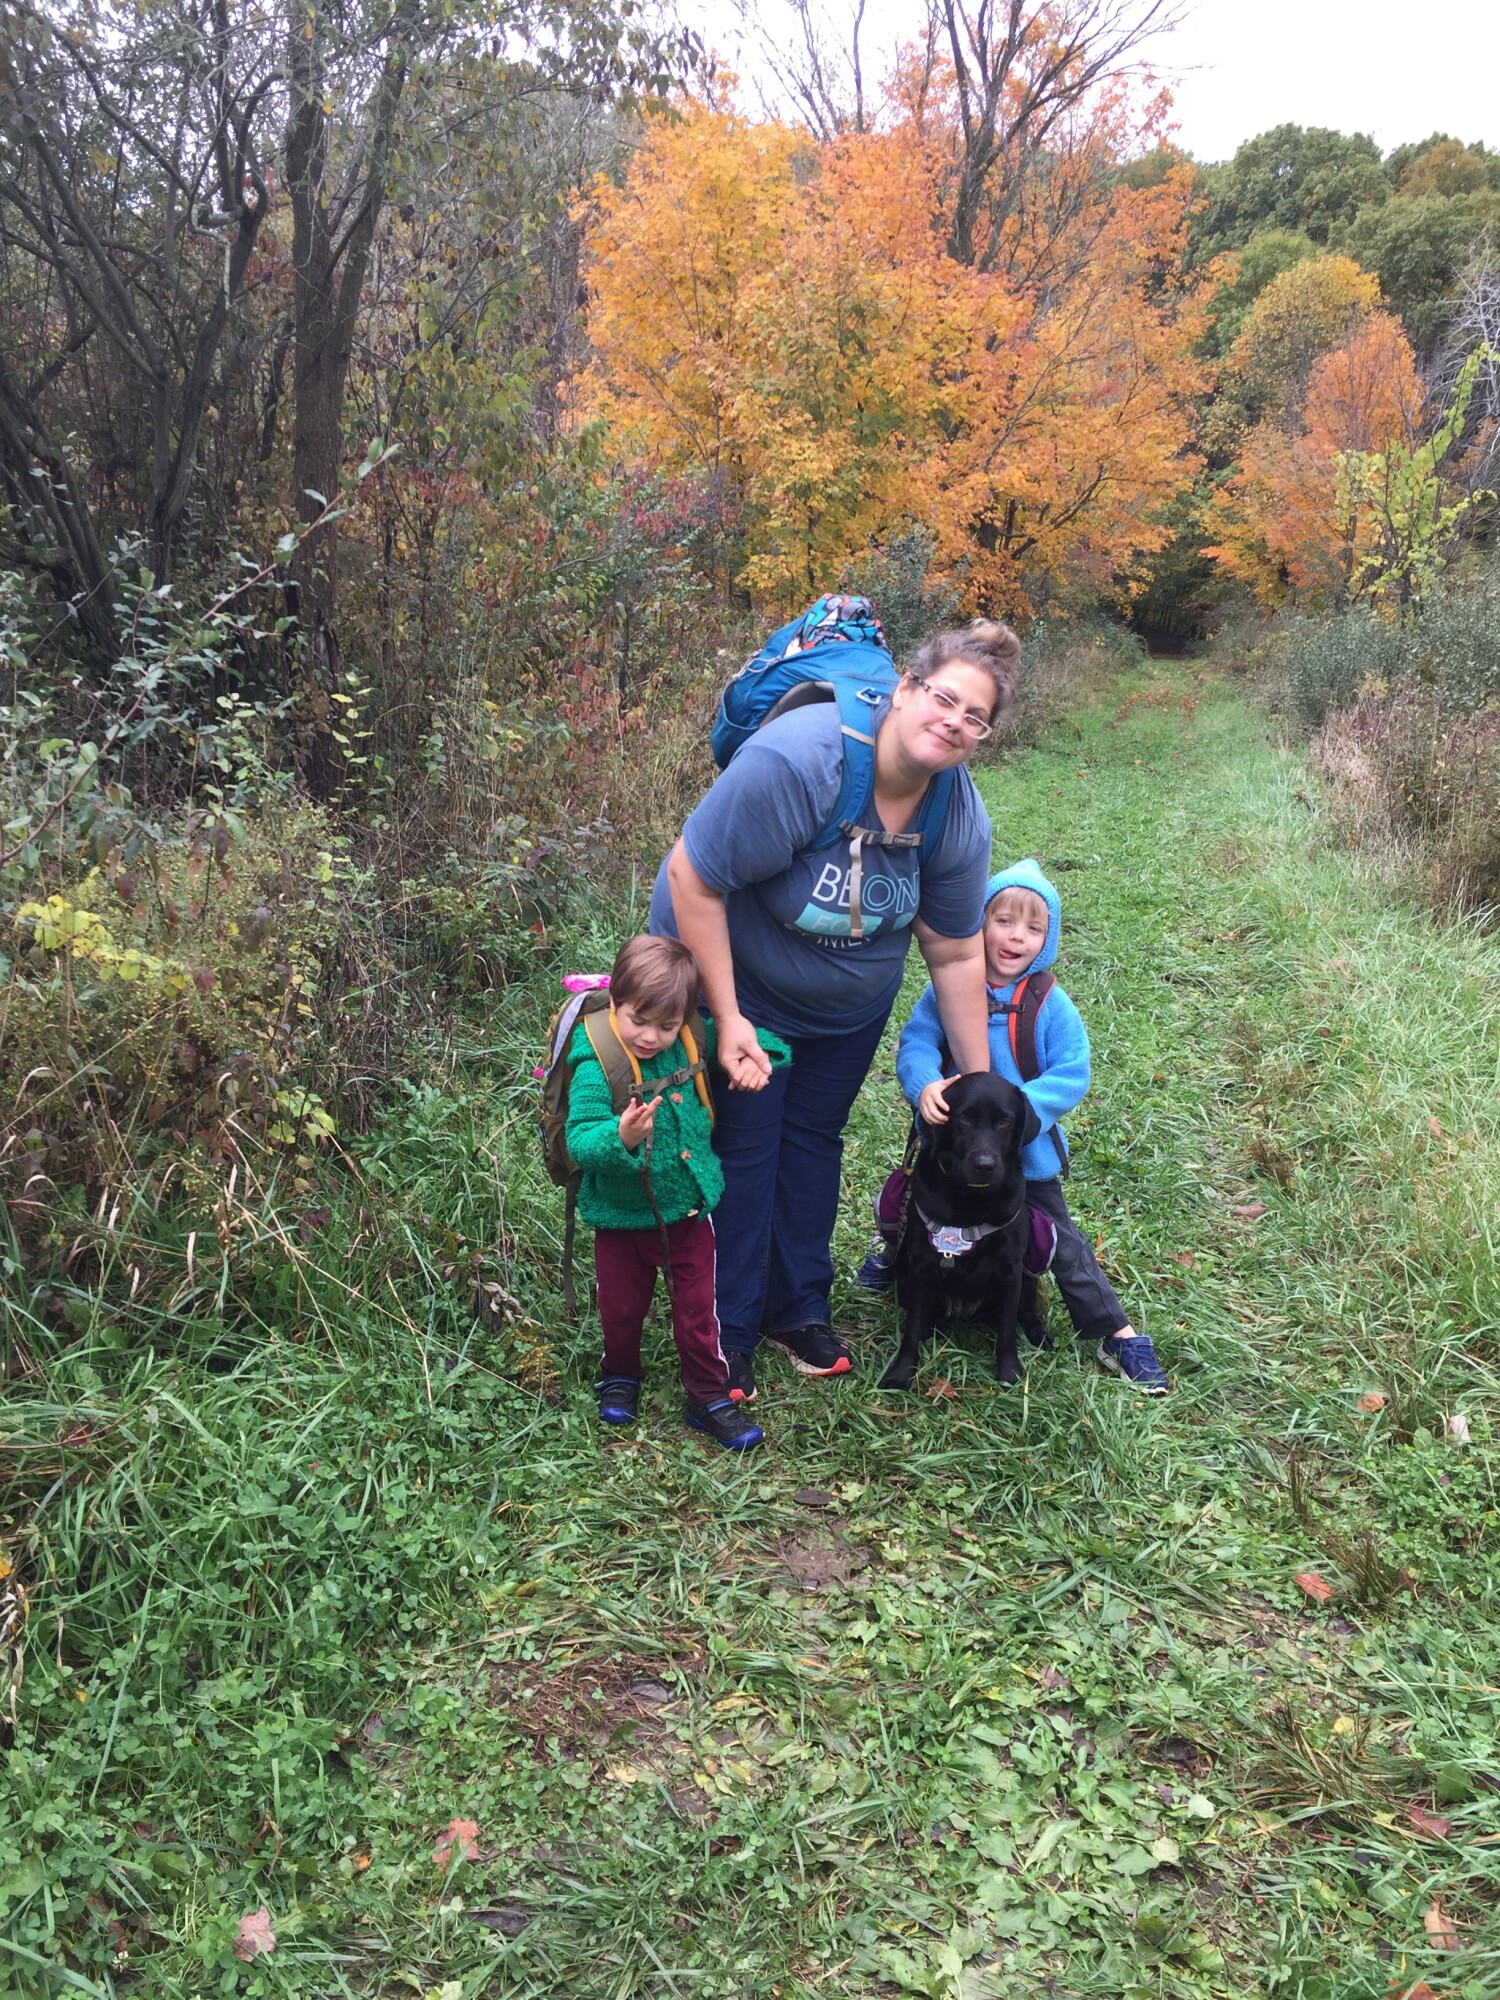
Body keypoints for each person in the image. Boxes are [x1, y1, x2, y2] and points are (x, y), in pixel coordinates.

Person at [651, 621, 1019, 1402]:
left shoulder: (955, 816)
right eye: (943, 698)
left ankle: (798, 1309)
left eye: (974, 717)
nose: (953, 721)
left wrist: (980, 1095)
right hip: (742, 985)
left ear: (981, 737)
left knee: (814, 1142)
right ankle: (730, 1331)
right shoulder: (802, 762)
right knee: (748, 1149)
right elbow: (694, 879)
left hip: (846, 1009)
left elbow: (953, 952)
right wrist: (729, 1018)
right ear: (906, 689)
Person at [863, 859, 1169, 1394]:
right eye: (1003, 920)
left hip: (1025, 1161)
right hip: (951, 1152)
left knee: (1060, 1244)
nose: (1016, 937)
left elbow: (1073, 1072)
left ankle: (1116, 1334)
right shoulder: (950, 989)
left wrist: (1014, 1112)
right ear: (978, 922)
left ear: (1046, 939)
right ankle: (893, 1261)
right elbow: (914, 1045)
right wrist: (925, 1085)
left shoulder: (1049, 1004)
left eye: (1033, 927)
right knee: (908, 1212)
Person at [564, 934, 788, 1448]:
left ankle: (708, 1396)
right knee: (620, 1308)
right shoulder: (599, 1063)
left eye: (667, 1025)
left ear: (685, 1018)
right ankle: (620, 1375)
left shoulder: (690, 1041)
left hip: (688, 1212)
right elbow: (580, 1139)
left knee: (698, 1308)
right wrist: (620, 1137)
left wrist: (761, 1057)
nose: (650, 1036)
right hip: (621, 1219)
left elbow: (748, 1046)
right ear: (615, 1003)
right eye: (639, 1020)